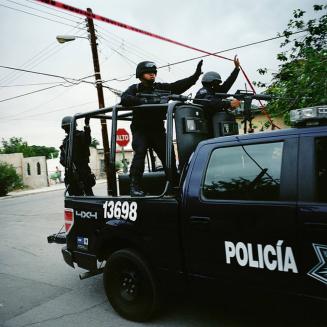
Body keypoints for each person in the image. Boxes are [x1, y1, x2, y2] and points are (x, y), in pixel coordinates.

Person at [121, 60, 203, 196]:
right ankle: (134, 186)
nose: (152, 75)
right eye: (149, 72)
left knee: (168, 156)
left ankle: (175, 185)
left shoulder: (161, 88)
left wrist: (195, 76)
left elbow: (178, 86)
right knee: (140, 153)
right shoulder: (135, 89)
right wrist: (143, 101)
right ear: (141, 74)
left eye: (154, 72)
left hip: (157, 129)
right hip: (141, 129)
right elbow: (124, 99)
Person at [194, 55, 241, 130]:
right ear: (212, 83)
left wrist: (236, 69)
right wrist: (229, 103)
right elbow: (210, 102)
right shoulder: (203, 92)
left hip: (215, 127)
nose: (219, 85)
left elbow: (227, 85)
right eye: (217, 83)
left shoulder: (213, 92)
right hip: (206, 129)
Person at [60, 116, 95, 196]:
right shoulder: (66, 142)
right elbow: (62, 160)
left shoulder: (78, 137)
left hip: (81, 174)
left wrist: (87, 126)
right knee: (82, 200)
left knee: (86, 199)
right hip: (74, 175)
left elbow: (87, 140)